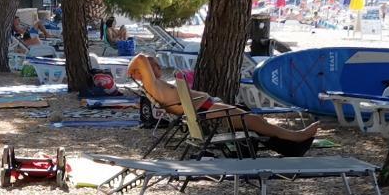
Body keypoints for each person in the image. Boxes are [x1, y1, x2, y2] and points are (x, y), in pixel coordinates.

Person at [128, 55, 324, 153]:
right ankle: (296, 137)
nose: (159, 67)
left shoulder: (157, 85)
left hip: (206, 108)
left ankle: (291, 142)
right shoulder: (152, 85)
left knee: (256, 122)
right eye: (155, 66)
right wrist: (137, 68)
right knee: (255, 121)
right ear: (143, 72)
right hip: (205, 111)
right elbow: (140, 59)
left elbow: (143, 63)